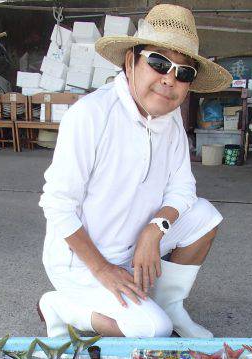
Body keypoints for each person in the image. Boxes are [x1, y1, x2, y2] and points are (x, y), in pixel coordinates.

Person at [38, 4, 232, 338]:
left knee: (205, 217)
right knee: (153, 331)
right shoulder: (90, 116)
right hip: (83, 263)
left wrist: (154, 230)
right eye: (159, 62)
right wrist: (102, 269)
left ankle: (171, 305)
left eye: (184, 73)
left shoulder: (171, 123)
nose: (169, 79)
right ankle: (60, 307)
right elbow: (57, 204)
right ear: (131, 61)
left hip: (132, 249)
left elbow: (183, 190)